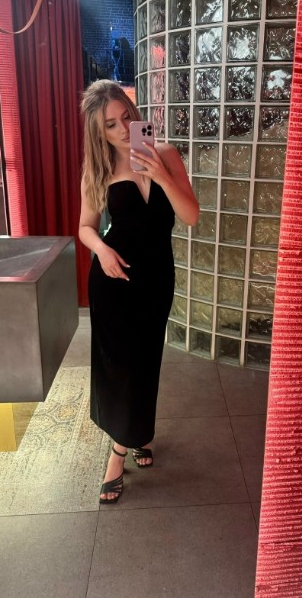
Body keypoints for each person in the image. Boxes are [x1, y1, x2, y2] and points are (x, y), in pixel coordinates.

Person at [78, 80, 199, 504]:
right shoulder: (100, 169)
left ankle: (139, 433)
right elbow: (85, 227)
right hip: (115, 280)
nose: (121, 128)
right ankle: (118, 453)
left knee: (147, 362)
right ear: (99, 132)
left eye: (125, 116)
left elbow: (190, 215)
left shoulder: (165, 154)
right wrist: (101, 250)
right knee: (122, 368)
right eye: (110, 125)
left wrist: (161, 175)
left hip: (157, 279)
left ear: (135, 112)